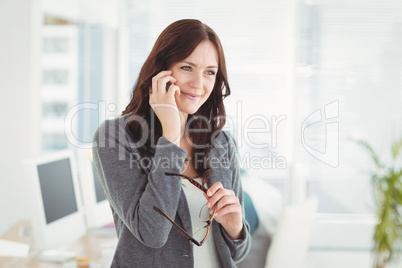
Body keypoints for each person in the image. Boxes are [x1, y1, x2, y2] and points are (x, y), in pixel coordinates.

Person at [92, 19, 251, 268]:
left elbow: (237, 253)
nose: (199, 84)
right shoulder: (115, 137)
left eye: (210, 72)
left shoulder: (221, 142)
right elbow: (152, 233)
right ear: (161, 70)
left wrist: (236, 228)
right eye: (187, 67)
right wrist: (171, 134)